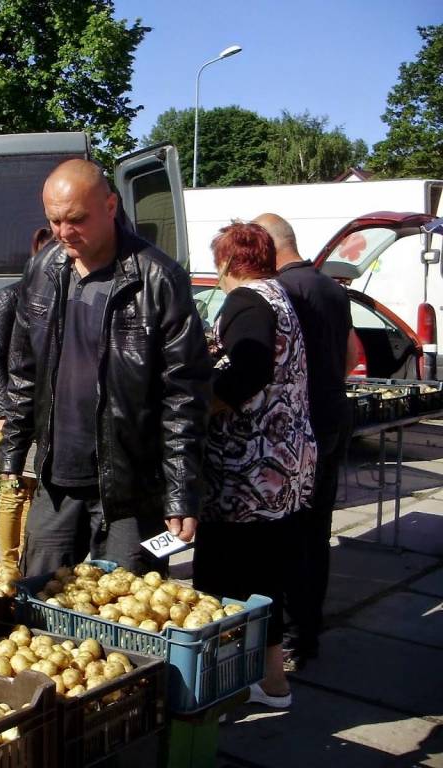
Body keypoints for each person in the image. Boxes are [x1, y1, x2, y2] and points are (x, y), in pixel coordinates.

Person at [0, 159, 212, 578]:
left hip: (130, 488)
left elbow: (184, 396)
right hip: (57, 481)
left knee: (129, 604)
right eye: (54, 220)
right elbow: (23, 371)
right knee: (38, 597)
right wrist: (13, 455)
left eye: (76, 219)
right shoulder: (42, 270)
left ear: (110, 206)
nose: (64, 232)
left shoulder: (158, 278)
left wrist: (181, 492)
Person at [192, 221, 317, 709]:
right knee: (265, 576)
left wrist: (203, 406)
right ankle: (271, 680)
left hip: (246, 471)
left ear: (226, 262)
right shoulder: (280, 296)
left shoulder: (246, 301)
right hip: (281, 465)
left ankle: (219, 683)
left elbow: (251, 370)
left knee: (223, 577)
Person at [254, 213, 359, 671]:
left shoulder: (281, 292)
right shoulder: (332, 288)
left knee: (288, 535)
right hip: (334, 414)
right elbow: (352, 354)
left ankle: (290, 639)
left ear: (267, 245)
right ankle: (307, 632)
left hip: (299, 425)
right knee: (316, 532)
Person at [0, 228, 52, 564]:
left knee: (34, 491)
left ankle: (25, 560)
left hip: (44, 411)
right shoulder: (9, 297)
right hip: (14, 409)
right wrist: (2, 411)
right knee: (13, 490)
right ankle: (9, 562)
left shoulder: (53, 299)